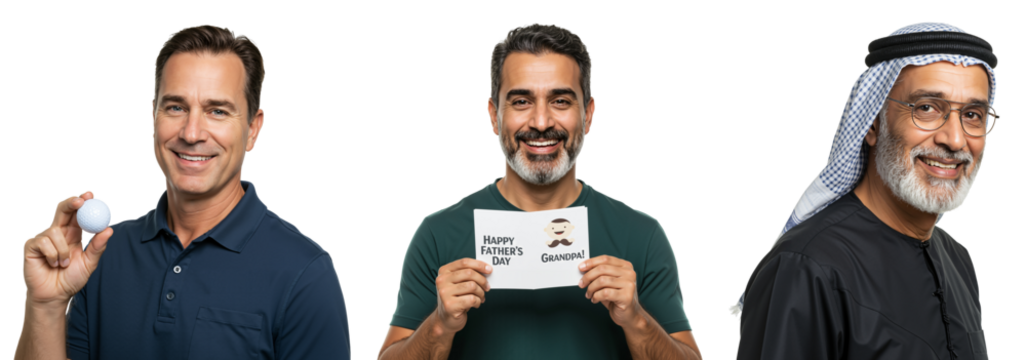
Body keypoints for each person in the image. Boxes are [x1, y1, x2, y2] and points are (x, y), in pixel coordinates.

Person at [15, 23, 351, 360]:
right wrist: (45, 305)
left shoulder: (305, 274)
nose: (192, 133)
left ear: (252, 129)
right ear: (153, 116)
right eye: (176, 107)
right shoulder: (102, 254)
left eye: (217, 111)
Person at [377, 22, 701, 360]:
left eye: (560, 100)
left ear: (588, 115)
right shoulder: (438, 235)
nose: (542, 122)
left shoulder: (642, 236)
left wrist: (635, 319)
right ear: (494, 116)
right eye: (521, 101)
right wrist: (441, 324)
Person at [734, 20, 996, 359]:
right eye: (927, 108)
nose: (955, 139)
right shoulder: (804, 267)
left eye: (973, 114)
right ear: (872, 122)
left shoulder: (958, 259)